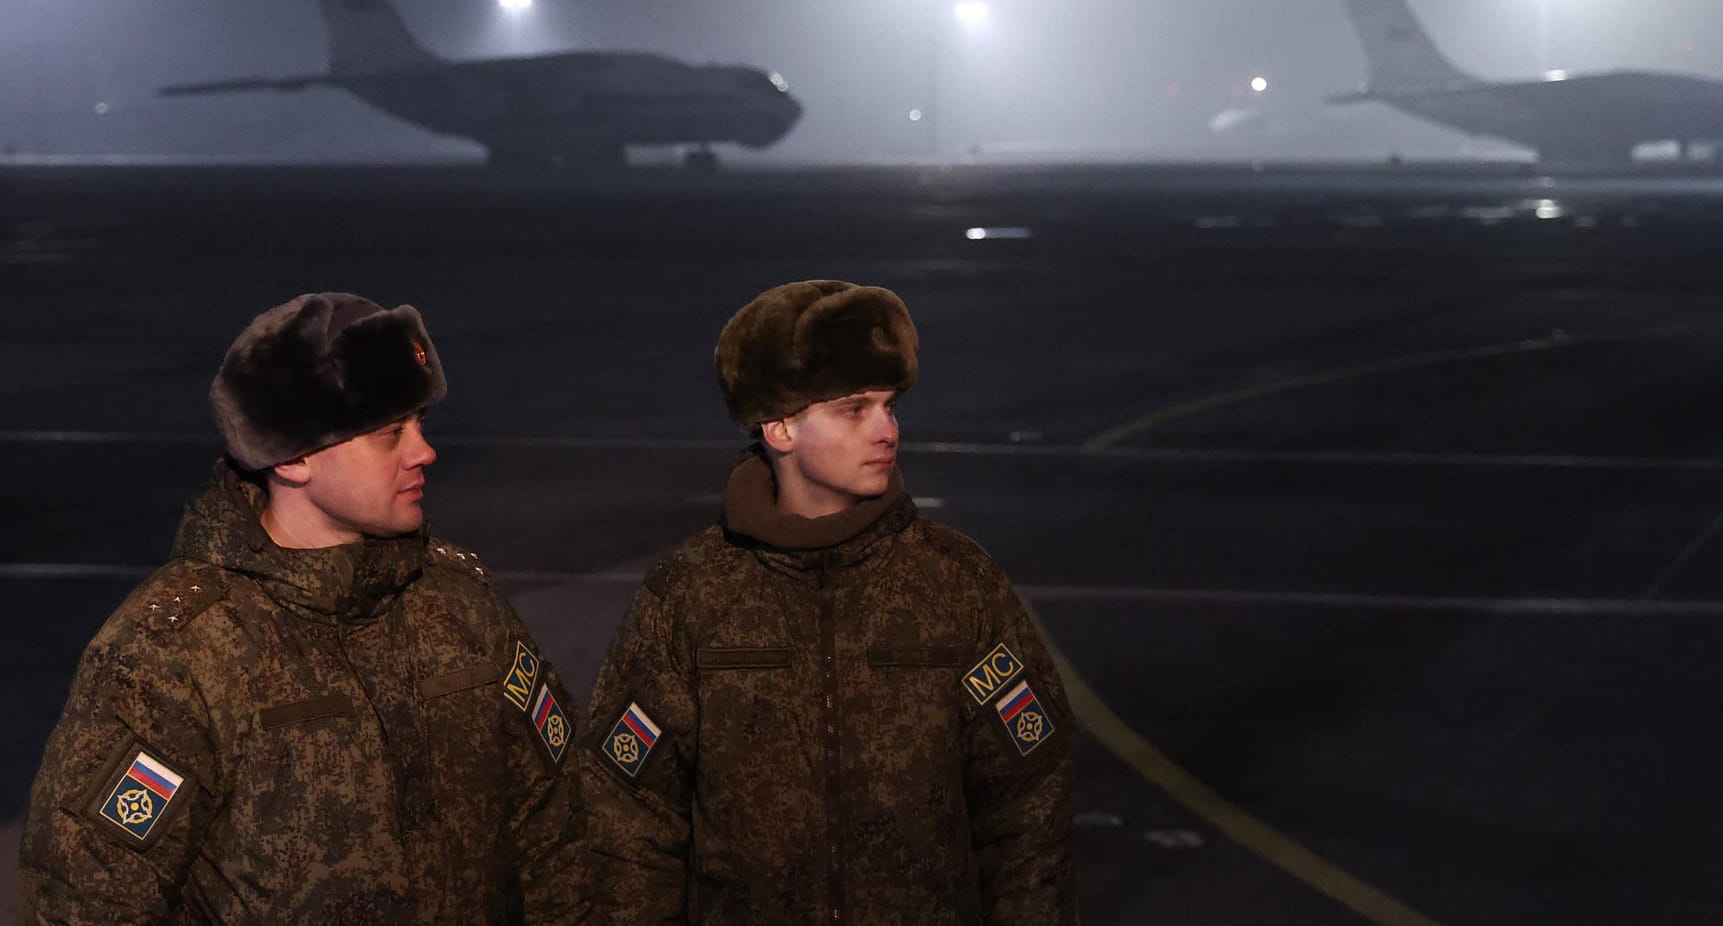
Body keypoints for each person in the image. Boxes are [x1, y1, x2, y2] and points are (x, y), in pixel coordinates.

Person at [20, 292, 589, 922]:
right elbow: (89, 899)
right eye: (390, 434)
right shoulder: (175, 656)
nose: (423, 451)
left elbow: (564, 841)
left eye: (421, 423)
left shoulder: (462, 608)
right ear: (293, 458)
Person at [585, 279, 1077, 923]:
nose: (887, 430)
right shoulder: (693, 595)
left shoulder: (956, 585)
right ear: (781, 426)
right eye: (854, 408)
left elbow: (1030, 802)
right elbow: (628, 818)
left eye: (889, 405)